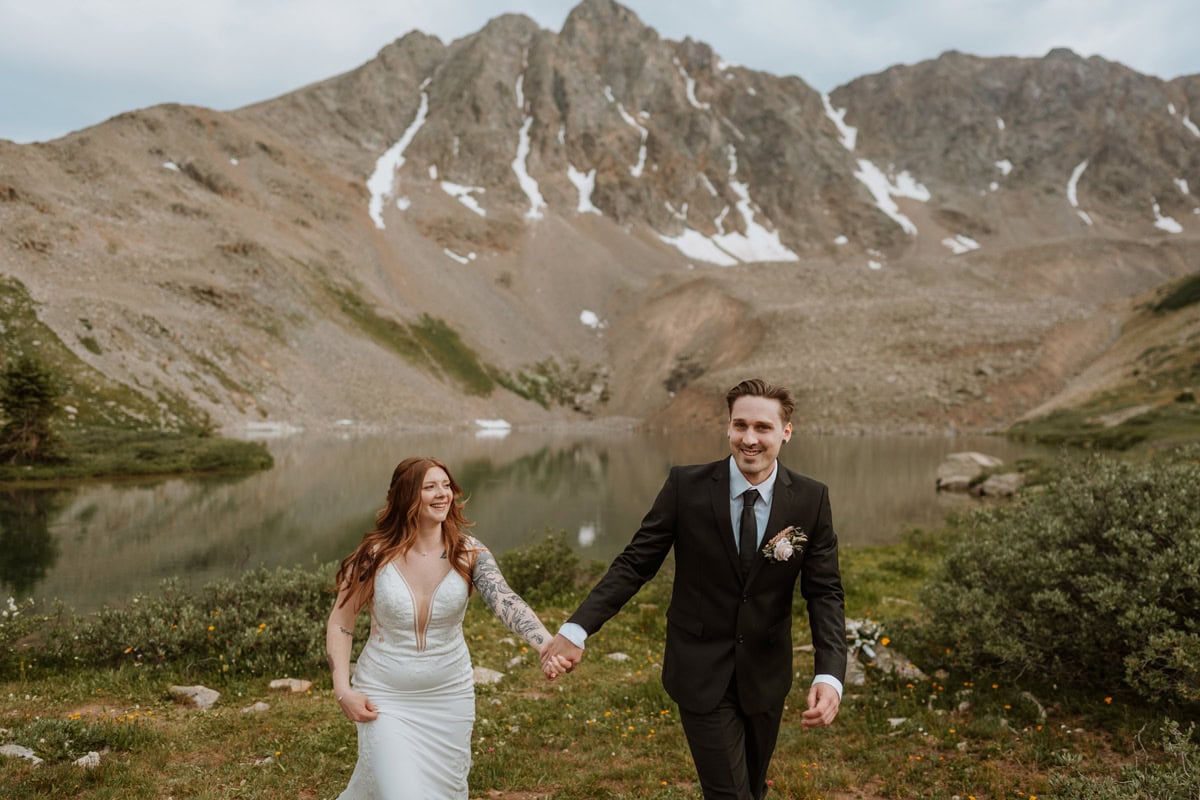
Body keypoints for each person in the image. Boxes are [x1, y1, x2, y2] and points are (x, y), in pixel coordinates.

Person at [541, 378, 847, 800]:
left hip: (766, 674)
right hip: (700, 670)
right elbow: (635, 563)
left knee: (753, 790)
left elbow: (825, 591)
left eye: (762, 427)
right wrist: (578, 630)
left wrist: (830, 673)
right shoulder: (686, 487)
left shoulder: (811, 499)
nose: (750, 438)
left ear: (786, 432)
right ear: (728, 428)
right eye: (740, 426)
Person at [327, 456, 565, 800]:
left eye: (446, 485)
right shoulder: (374, 555)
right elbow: (341, 621)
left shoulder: (469, 553)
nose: (443, 494)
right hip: (385, 697)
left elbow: (506, 601)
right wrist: (342, 690)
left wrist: (546, 644)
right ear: (407, 496)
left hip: (449, 698)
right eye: (430, 487)